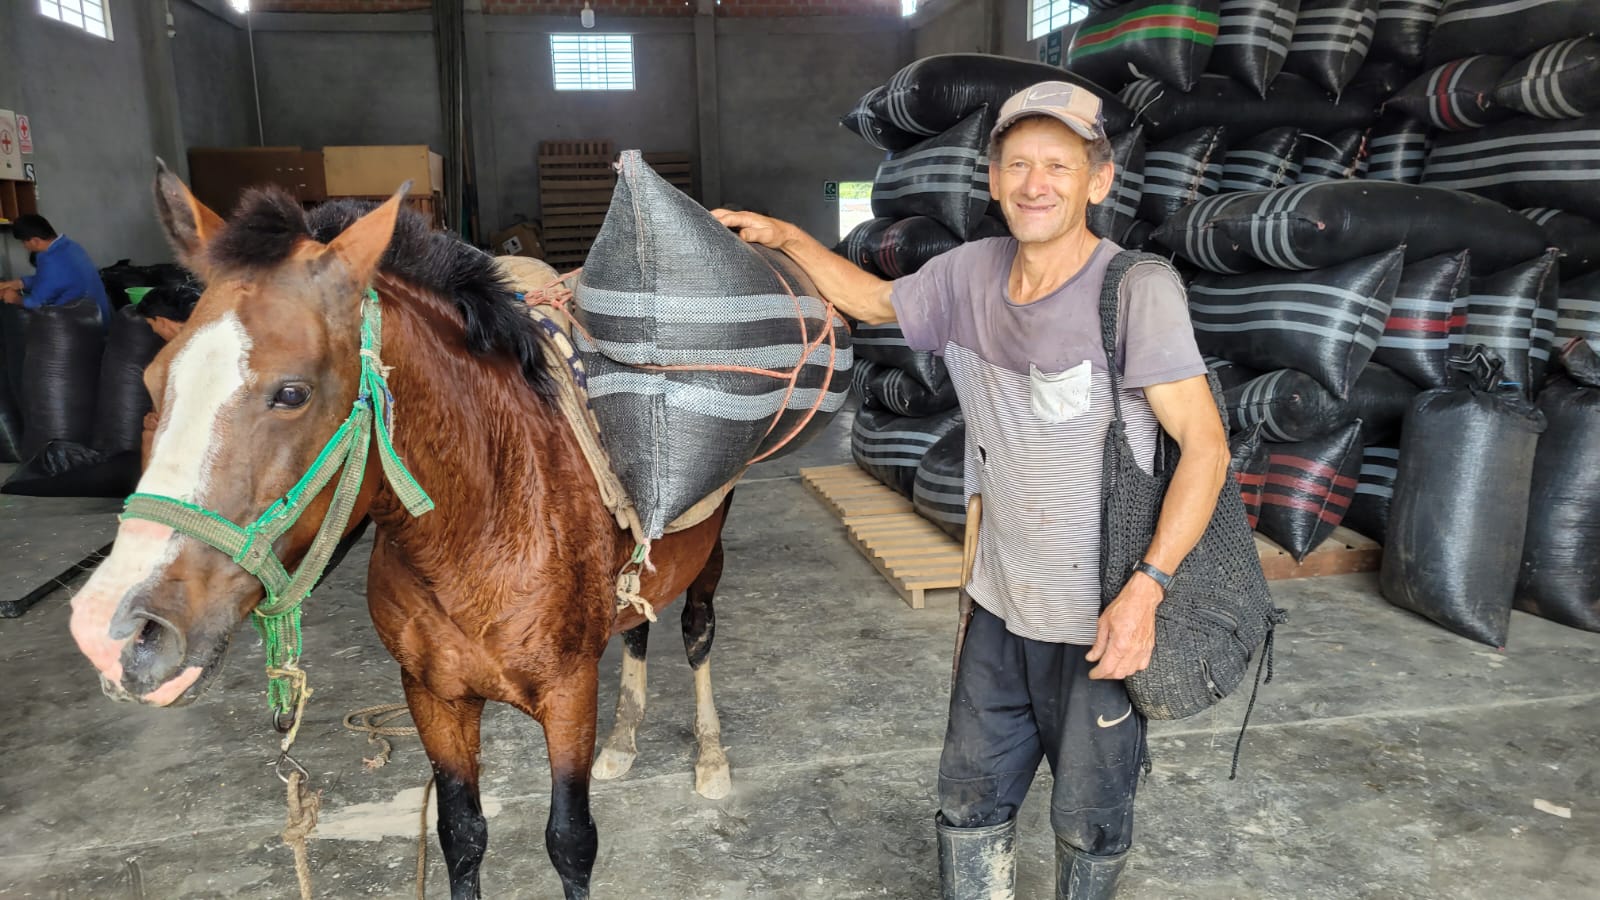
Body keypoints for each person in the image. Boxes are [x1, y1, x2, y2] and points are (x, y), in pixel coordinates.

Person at [713, 82, 1230, 899]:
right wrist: (782, 237)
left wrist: (1146, 593)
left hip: (1098, 616)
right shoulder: (969, 273)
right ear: (990, 179)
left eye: (1059, 165)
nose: (1035, 183)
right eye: (1017, 163)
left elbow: (1205, 446)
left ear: (1098, 181)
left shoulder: (1134, 290)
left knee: (1090, 819)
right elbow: (873, 301)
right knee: (968, 801)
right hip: (997, 607)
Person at [0, 214, 113, 324]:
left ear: (35, 241)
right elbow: (52, 279)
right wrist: (19, 283)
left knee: (13, 318)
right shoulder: (70, 246)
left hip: (83, 327)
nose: (24, 246)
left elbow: (36, 303)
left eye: (23, 242)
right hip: (99, 316)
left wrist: (14, 298)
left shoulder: (51, 259)